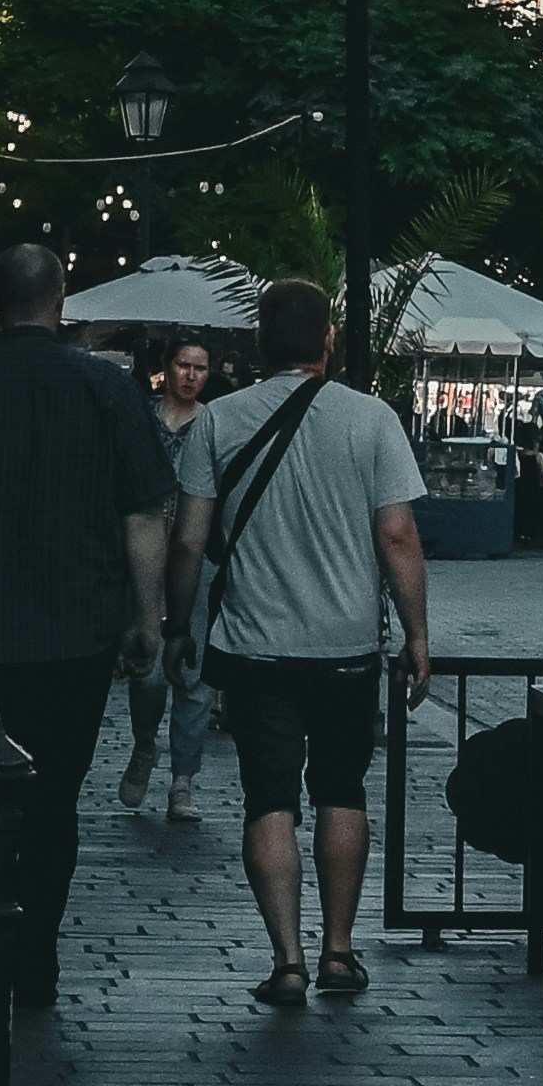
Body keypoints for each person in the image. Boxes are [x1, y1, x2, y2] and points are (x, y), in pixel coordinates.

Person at [0, 239, 174, 1004]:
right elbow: (143, 515)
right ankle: (36, 958)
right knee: (53, 800)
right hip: (74, 633)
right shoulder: (108, 391)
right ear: (60, 299)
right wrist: (145, 618)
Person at [169, 275, 429, 1013]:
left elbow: (188, 542)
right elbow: (398, 533)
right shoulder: (371, 418)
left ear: (256, 341)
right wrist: (417, 633)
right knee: (342, 791)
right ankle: (339, 950)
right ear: (328, 339)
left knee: (270, 798)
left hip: (254, 645)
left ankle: (286, 962)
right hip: (347, 644)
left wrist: (174, 626)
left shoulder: (217, 421)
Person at [119, 334, 221, 824]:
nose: (191, 376)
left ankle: (184, 778)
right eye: (184, 366)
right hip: (147, 551)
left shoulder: (215, 423)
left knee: (194, 672)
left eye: (200, 368)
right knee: (150, 668)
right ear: (168, 367)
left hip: (197, 555)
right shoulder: (142, 417)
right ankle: (144, 746)